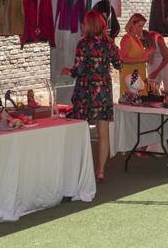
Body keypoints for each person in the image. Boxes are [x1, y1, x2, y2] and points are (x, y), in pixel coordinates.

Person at [61, 10, 119, 181]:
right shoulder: (109, 44)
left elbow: (78, 69)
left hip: (86, 91)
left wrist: (68, 71)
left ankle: (82, 169)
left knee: (82, 129)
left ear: (88, 25)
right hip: (103, 91)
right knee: (103, 132)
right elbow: (118, 64)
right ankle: (100, 170)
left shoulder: (83, 44)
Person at [118, 13, 153, 95]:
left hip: (139, 74)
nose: (141, 29)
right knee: (131, 102)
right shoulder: (126, 39)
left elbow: (138, 55)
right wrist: (141, 59)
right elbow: (122, 58)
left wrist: (147, 54)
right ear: (132, 24)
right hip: (130, 76)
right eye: (139, 26)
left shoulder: (136, 38)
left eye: (142, 26)